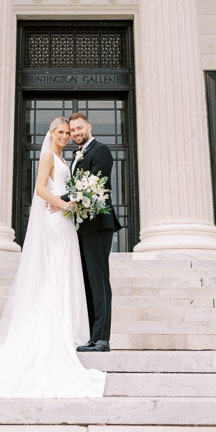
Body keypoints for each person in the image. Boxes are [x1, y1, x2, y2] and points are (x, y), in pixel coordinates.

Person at [0, 117, 106, 398]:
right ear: (50, 133)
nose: (64, 135)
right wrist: (66, 204)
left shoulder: (65, 158)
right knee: (57, 269)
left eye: (67, 132)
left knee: (64, 271)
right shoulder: (50, 156)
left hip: (64, 220)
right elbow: (40, 190)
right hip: (56, 220)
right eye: (60, 132)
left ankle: (68, 326)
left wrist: (71, 203)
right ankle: (59, 329)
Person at [67, 112, 121, 353]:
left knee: (99, 282)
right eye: (73, 131)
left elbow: (95, 185)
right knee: (88, 283)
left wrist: (61, 199)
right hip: (81, 227)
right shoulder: (77, 155)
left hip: (98, 225)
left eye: (79, 128)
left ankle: (102, 339)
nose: (76, 133)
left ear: (89, 127)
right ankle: (92, 335)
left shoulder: (101, 151)